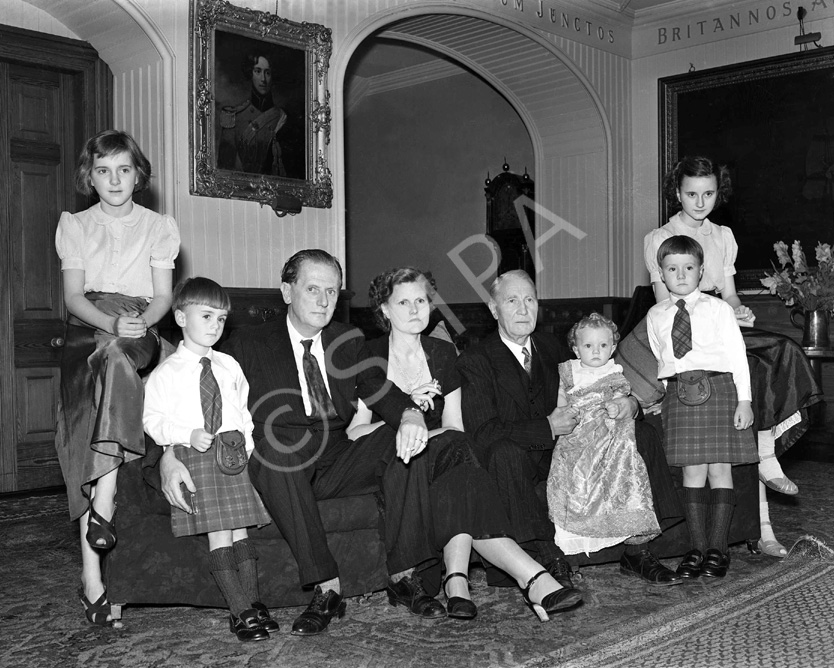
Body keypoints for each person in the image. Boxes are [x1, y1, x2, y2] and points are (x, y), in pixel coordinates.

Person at [156, 249, 439, 636]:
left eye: (332, 292)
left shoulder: (347, 339)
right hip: (282, 449)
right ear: (287, 291)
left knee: (404, 440)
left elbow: (376, 386)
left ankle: (404, 576)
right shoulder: (246, 344)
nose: (324, 302)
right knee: (271, 457)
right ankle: (327, 588)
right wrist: (168, 455)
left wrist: (409, 415)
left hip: (338, 452)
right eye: (312, 289)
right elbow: (190, 394)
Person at [347, 267, 582, 621]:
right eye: (403, 302)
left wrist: (427, 435)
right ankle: (529, 578)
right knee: (460, 456)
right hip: (386, 456)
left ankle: (461, 583)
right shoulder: (370, 356)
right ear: (384, 310)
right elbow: (354, 433)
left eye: (422, 301)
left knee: (460, 457)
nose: (414, 309)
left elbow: (455, 427)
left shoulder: (442, 353)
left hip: (440, 455)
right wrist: (404, 415)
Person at [643, 156, 822, 557]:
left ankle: (764, 449)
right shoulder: (660, 237)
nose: (700, 201)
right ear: (677, 192)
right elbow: (665, 302)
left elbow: (730, 294)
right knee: (751, 362)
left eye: (708, 194)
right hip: (681, 324)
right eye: (691, 194)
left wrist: (740, 311)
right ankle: (763, 459)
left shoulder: (723, 235)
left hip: (718, 318)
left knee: (783, 349)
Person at [457, 270, 683, 587]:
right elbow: (483, 433)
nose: (523, 309)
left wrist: (630, 404)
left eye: (529, 300)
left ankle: (638, 551)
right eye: (512, 300)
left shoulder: (555, 347)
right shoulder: (475, 359)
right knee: (504, 453)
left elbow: (599, 380)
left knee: (639, 432)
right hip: (520, 458)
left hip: (574, 449)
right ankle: (549, 559)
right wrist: (547, 426)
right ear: (494, 310)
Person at [54, 130, 180, 627]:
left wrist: (138, 322)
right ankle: (92, 579)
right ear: (90, 176)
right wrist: (109, 325)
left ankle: (101, 502)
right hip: (90, 330)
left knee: (119, 358)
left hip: (139, 323)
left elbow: (164, 297)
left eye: (123, 169)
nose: (114, 179)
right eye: (103, 170)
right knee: (86, 434)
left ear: (138, 175)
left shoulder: (158, 226)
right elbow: (73, 297)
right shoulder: (74, 225)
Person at [143, 278, 275, 642]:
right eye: (206, 316)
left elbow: (242, 409)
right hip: (198, 454)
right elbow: (151, 420)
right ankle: (239, 609)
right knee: (220, 532)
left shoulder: (229, 365)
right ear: (181, 317)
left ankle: (253, 602)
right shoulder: (166, 372)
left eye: (221, 318)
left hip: (232, 454)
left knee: (242, 527)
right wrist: (185, 435)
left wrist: (247, 446)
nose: (215, 325)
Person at [647, 235, 759, 578]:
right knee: (692, 474)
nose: (680, 275)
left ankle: (718, 550)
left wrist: (745, 400)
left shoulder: (719, 309)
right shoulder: (656, 315)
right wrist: (660, 398)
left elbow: (738, 357)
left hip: (720, 388)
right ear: (661, 274)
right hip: (681, 395)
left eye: (688, 268)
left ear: (701, 271)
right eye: (672, 269)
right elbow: (660, 358)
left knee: (719, 471)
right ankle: (695, 549)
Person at [547, 313, 660, 556]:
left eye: (602, 345)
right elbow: (560, 404)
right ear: (576, 350)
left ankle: (621, 523)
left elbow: (622, 402)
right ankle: (576, 529)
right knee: (572, 470)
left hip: (609, 431)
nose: (596, 351)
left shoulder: (614, 373)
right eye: (588, 346)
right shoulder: (568, 372)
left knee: (621, 458)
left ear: (612, 348)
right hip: (576, 430)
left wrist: (618, 405)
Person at [217, 52, 301, 178]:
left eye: (267, 73)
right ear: (250, 74)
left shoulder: (284, 118)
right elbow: (225, 170)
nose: (263, 79)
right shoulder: (235, 117)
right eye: (257, 71)